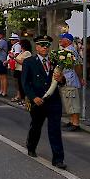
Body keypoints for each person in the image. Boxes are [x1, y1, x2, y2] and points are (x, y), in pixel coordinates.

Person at [22, 35, 67, 170]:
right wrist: (32, 97)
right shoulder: (29, 62)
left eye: (47, 45)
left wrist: (61, 79)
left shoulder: (55, 61)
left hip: (53, 100)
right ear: (37, 47)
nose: (45, 48)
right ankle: (31, 146)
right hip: (38, 101)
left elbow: (62, 82)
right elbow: (25, 83)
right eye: (42, 45)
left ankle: (58, 159)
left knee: (54, 129)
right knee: (36, 126)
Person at [58, 33, 85, 132]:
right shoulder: (65, 50)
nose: (60, 40)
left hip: (71, 80)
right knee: (68, 102)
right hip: (66, 79)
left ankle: (76, 123)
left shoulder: (71, 51)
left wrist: (81, 78)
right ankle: (72, 121)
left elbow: (77, 66)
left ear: (67, 41)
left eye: (62, 39)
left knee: (73, 102)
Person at [13, 39, 32, 105]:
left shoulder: (27, 53)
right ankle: (21, 99)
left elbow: (23, 62)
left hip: (22, 71)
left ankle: (24, 100)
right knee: (19, 85)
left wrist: (14, 58)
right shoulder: (21, 53)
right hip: (17, 70)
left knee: (23, 85)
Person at [8, 34, 22, 101]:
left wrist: (10, 57)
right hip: (13, 64)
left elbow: (16, 54)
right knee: (15, 81)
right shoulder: (14, 46)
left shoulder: (17, 46)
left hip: (16, 65)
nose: (11, 41)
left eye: (13, 40)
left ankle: (19, 95)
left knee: (17, 81)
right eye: (11, 40)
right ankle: (18, 94)